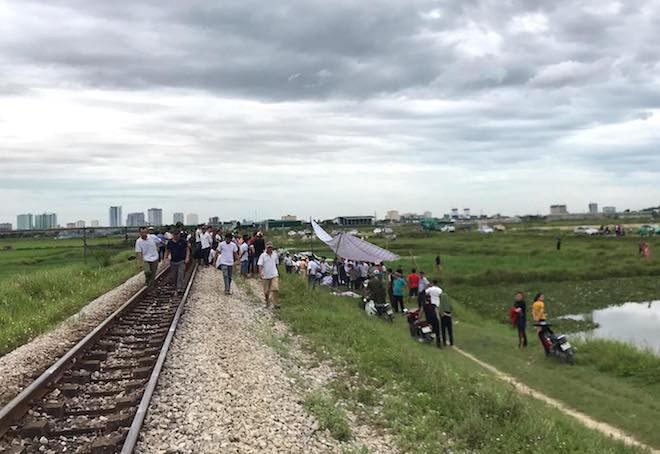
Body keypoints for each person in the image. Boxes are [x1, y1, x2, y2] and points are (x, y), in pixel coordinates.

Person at [258, 241, 280, 308]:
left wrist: (277, 271)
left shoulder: (275, 254)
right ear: (266, 248)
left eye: (270, 247)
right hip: (265, 275)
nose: (269, 249)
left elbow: (276, 263)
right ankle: (267, 302)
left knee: (275, 289)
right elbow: (260, 265)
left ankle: (275, 303)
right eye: (268, 247)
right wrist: (260, 273)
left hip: (274, 274)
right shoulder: (263, 255)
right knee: (266, 291)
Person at [424, 279, 443, 348]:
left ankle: (429, 336)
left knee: (429, 323)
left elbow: (425, 292)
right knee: (436, 321)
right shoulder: (439, 290)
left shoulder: (430, 289)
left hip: (431, 304)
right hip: (437, 304)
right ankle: (438, 342)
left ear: (432, 283)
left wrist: (428, 286)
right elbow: (441, 296)